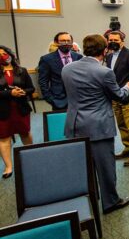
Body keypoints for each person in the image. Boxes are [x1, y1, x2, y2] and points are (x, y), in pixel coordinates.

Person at [62, 34, 129, 214]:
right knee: (105, 168)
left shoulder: (67, 69)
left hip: (74, 124)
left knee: (84, 165)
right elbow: (120, 96)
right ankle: (111, 202)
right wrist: (128, 86)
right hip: (98, 126)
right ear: (104, 50)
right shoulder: (104, 72)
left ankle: (88, 197)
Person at [106, 31, 129, 167]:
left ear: (122, 41)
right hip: (115, 96)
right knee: (121, 124)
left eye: (116, 40)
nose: (113, 42)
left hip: (128, 96)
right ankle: (128, 148)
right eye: (110, 40)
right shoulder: (109, 56)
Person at [0, 46, 34, 179]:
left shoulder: (22, 71)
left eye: (4, 53)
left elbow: (31, 88)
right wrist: (10, 93)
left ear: (10, 54)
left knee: (25, 133)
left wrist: (23, 92)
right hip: (2, 110)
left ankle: (31, 157)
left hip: (21, 108)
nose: (3, 56)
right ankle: (8, 167)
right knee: (4, 138)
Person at [38, 32, 83, 110]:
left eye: (68, 41)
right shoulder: (47, 59)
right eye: (62, 41)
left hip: (79, 101)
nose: (66, 43)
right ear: (56, 43)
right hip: (58, 101)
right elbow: (43, 81)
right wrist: (50, 99)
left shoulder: (79, 57)